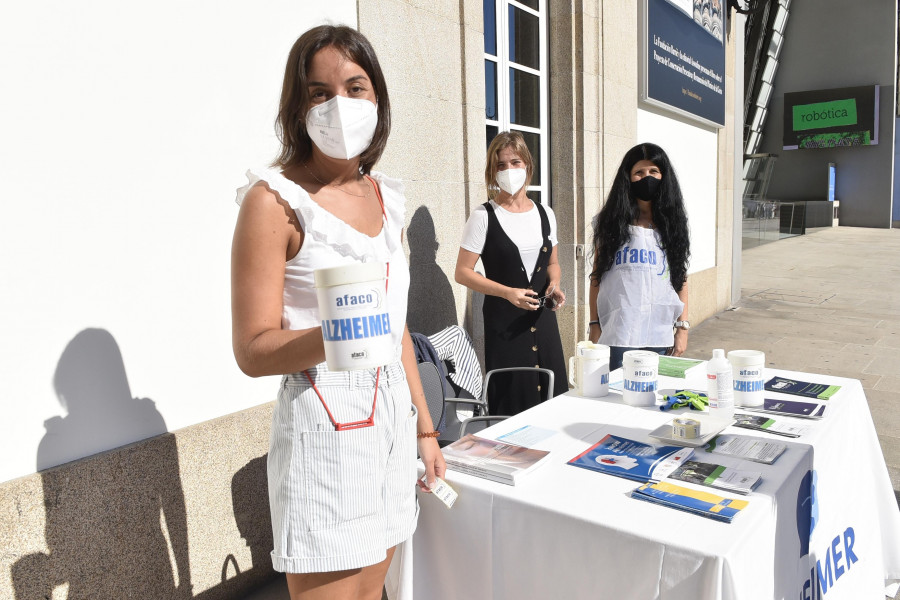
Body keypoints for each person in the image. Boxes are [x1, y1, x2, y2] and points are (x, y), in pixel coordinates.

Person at [230, 25, 444, 600]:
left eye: (355, 86)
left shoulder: (383, 197)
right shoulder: (273, 203)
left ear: (378, 98)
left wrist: (425, 428)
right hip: (324, 433)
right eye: (319, 92)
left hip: (391, 428)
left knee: (377, 592)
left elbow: (395, 329)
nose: (339, 105)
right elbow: (252, 348)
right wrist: (333, 335)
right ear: (297, 107)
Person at [455, 132, 568, 416]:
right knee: (513, 407)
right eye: (500, 165)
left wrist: (554, 284)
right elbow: (462, 273)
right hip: (505, 330)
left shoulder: (545, 213)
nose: (508, 171)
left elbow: (553, 263)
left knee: (553, 403)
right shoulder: (484, 216)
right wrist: (507, 292)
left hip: (544, 326)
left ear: (527, 165)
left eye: (514, 162)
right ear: (492, 172)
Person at [588, 142, 691, 372]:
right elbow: (596, 277)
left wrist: (682, 328)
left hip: (660, 333)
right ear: (628, 177)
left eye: (654, 171)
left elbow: (680, 277)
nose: (647, 178)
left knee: (653, 401)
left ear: (664, 175)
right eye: (639, 172)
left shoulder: (672, 224)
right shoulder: (609, 223)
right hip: (619, 333)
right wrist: (594, 323)